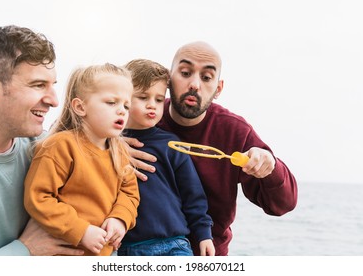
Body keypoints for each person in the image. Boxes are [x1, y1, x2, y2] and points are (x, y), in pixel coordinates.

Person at [127, 41, 298, 256]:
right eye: (186, 72)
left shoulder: (235, 131)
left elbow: (282, 205)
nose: (194, 84)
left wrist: (271, 166)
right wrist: (108, 146)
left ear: (218, 89)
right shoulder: (135, 117)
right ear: (169, 80)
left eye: (206, 77)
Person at [0, 25, 84, 256]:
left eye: (52, 85)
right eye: (38, 85)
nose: (54, 101)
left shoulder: (44, 148)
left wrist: (114, 154)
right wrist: (25, 250)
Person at [23, 63, 140, 256]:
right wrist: (81, 230)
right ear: (80, 106)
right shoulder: (60, 146)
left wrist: (120, 218)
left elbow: (130, 193)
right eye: (111, 102)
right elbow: (38, 197)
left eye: (126, 105)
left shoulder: (119, 152)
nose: (122, 111)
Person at [118, 59, 214, 256]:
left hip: (175, 244)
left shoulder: (172, 144)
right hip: (131, 248)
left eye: (159, 99)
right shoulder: (107, 143)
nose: (152, 105)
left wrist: (204, 234)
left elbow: (192, 194)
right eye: (143, 97)